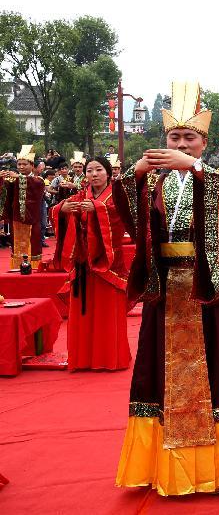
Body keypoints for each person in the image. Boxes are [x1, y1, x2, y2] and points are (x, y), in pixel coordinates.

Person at [113, 81, 219, 496]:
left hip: (204, 285)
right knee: (158, 367)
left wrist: (195, 169)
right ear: (164, 139)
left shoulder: (218, 178)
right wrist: (133, 177)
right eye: (174, 137)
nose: (181, 143)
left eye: (190, 138)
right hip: (166, 287)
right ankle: (163, 462)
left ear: (203, 143)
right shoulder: (153, 182)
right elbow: (134, 222)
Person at [52, 156, 130, 371]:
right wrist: (62, 210)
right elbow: (59, 209)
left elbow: (121, 217)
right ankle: (83, 358)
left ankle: (109, 358)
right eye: (89, 171)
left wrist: (97, 209)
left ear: (108, 173)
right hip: (83, 262)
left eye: (98, 170)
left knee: (107, 311)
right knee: (84, 311)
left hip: (108, 262)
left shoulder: (118, 195)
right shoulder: (80, 195)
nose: (94, 174)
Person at [0, 145, 46, 269]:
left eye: (24, 164)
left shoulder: (38, 179)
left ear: (32, 165)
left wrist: (19, 178)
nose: (21, 167)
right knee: (17, 240)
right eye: (19, 164)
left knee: (34, 240)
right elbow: (5, 194)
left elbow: (36, 186)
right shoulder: (14, 179)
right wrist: (2, 179)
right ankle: (18, 265)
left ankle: (35, 266)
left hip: (32, 217)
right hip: (16, 215)